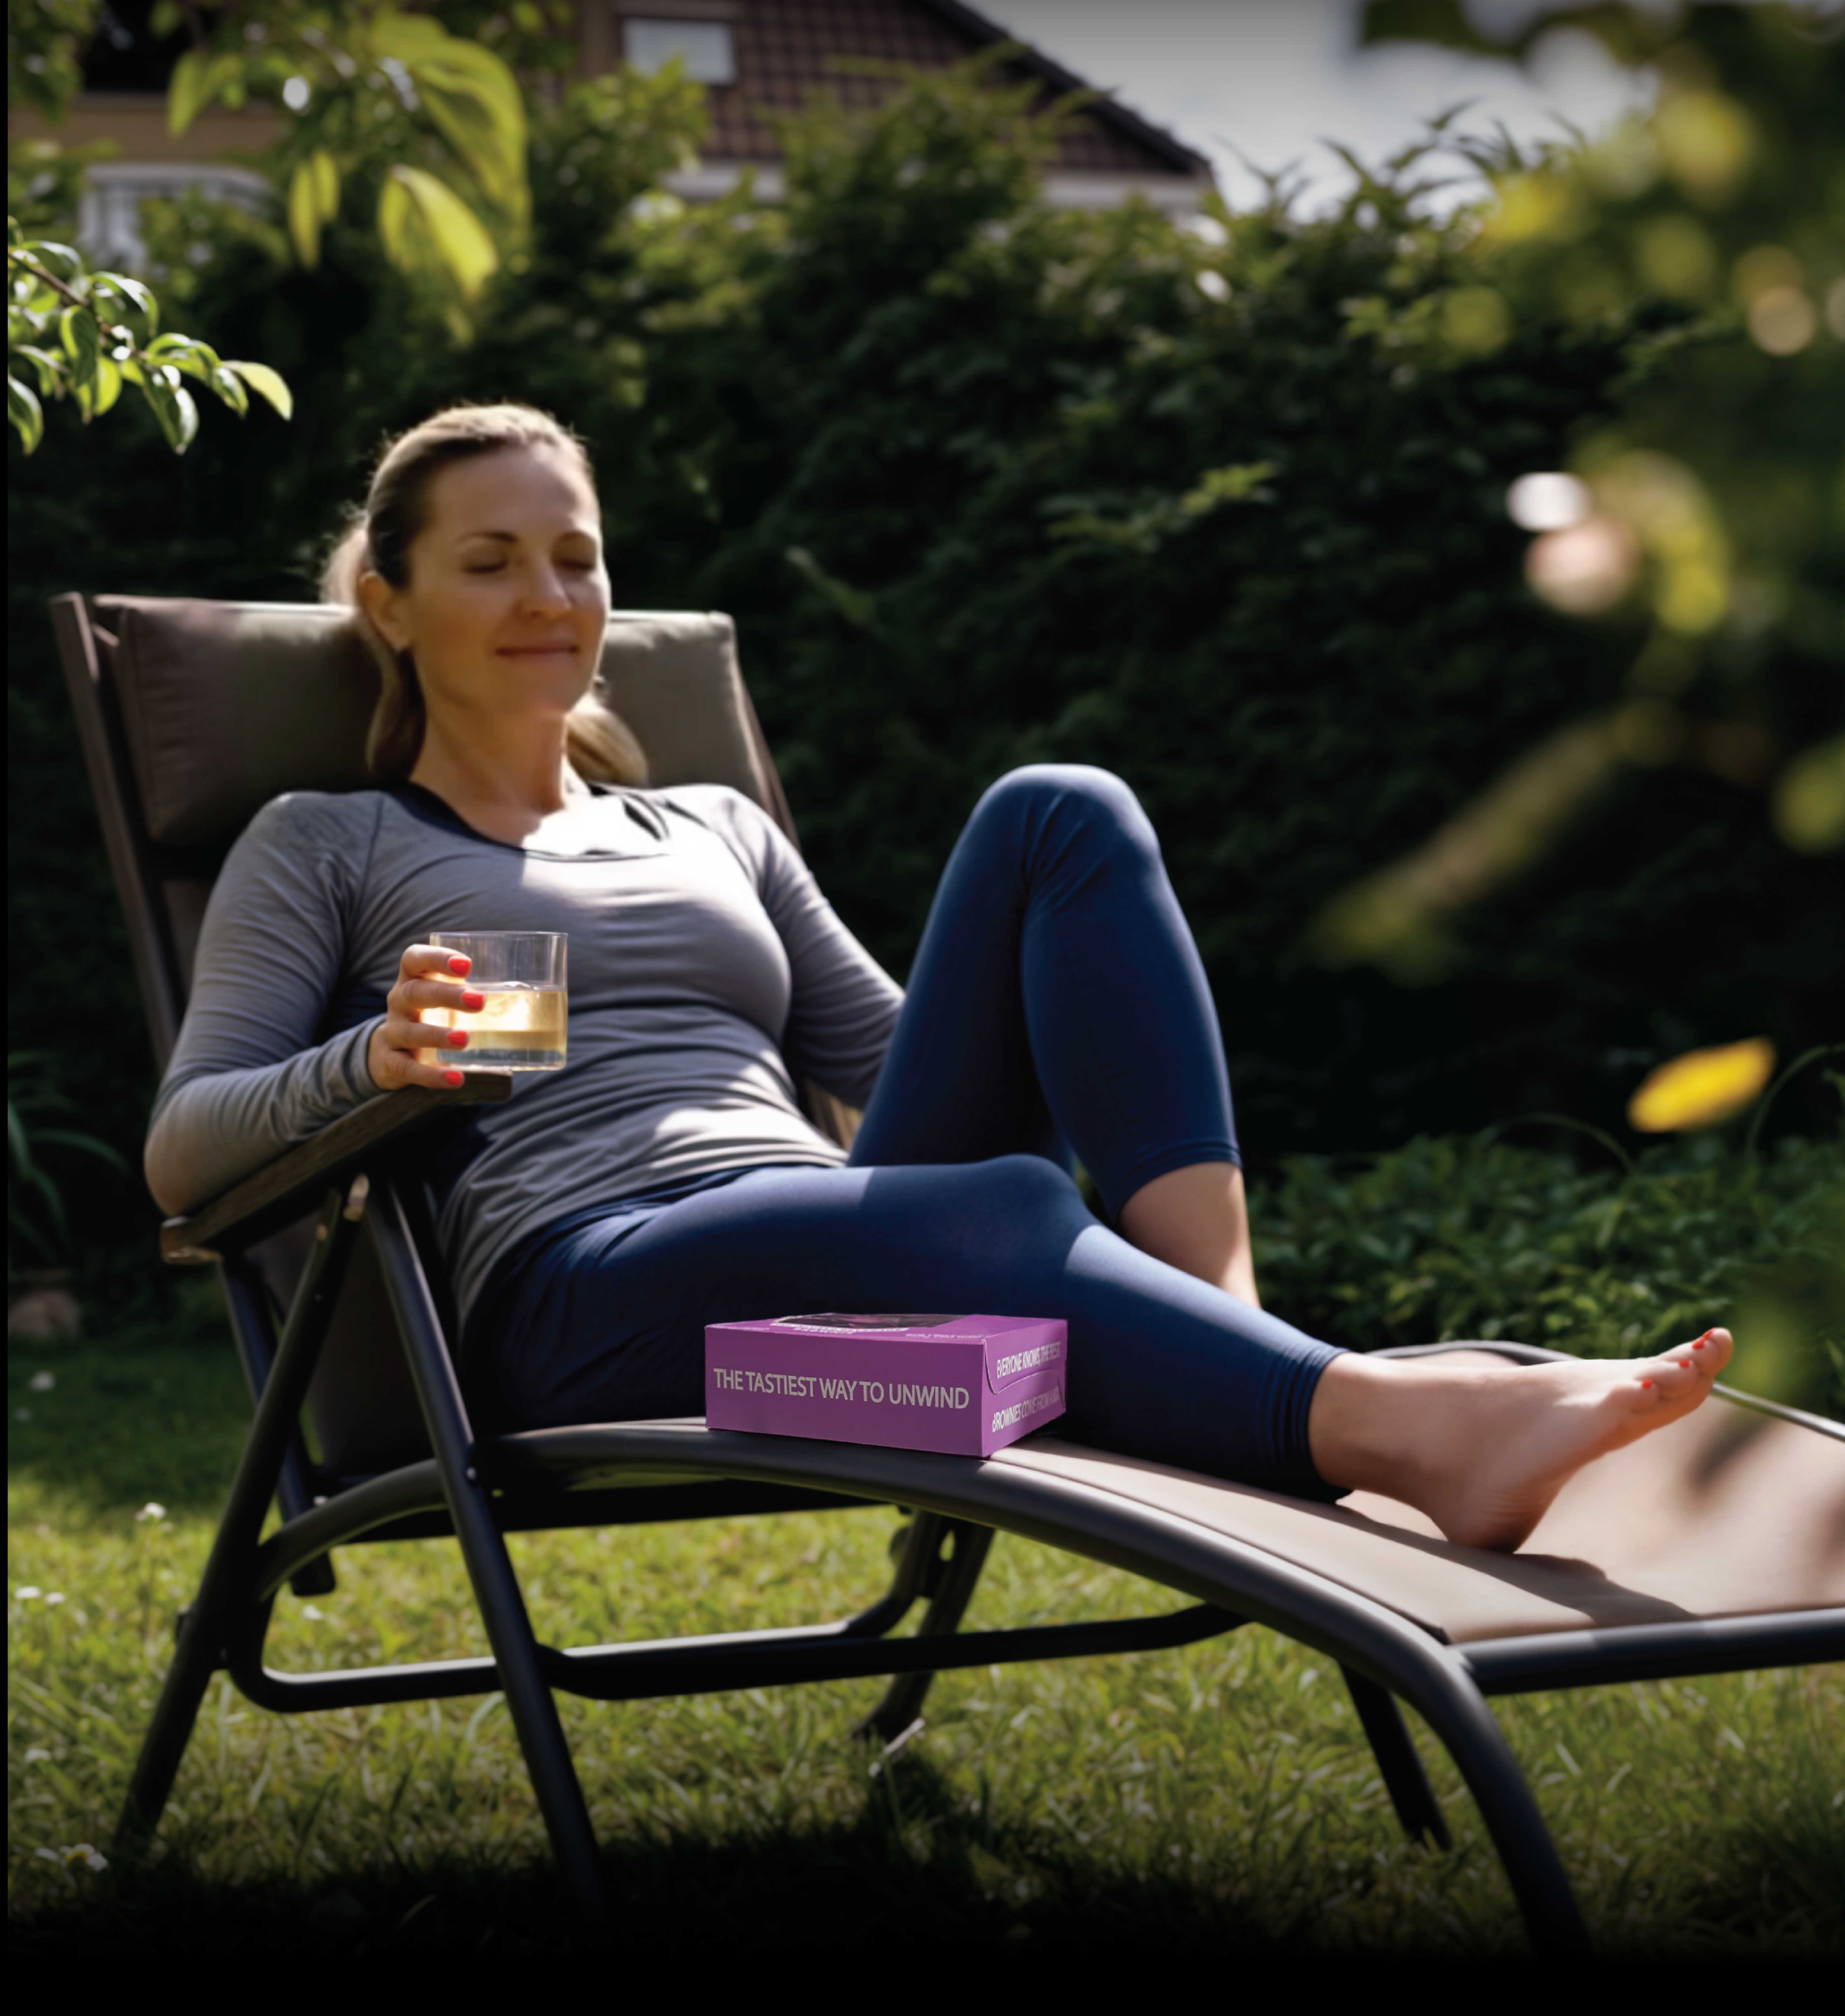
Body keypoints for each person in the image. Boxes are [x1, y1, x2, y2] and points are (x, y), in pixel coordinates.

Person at [144, 402, 1732, 1554]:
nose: (548, 600)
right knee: (996, 1208)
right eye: (490, 563)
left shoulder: (711, 824)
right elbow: (186, 1148)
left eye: (576, 558)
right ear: (388, 603)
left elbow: (899, 1056)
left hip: (816, 1232)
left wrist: (1061, 1051)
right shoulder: (329, 840)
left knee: (1061, 809)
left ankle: (1234, 1342)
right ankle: (1379, 1425)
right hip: (578, 1289)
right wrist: (371, 1065)